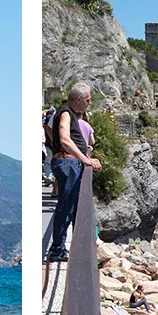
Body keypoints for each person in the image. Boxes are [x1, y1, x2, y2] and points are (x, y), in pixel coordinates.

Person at [44, 83, 101, 262]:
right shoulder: (66, 113)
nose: (88, 104)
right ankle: (57, 249)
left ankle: (61, 247)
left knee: (69, 206)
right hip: (68, 162)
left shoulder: (68, 113)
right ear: (78, 99)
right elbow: (65, 139)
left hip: (69, 161)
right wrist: (85, 159)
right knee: (66, 207)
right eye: (87, 100)